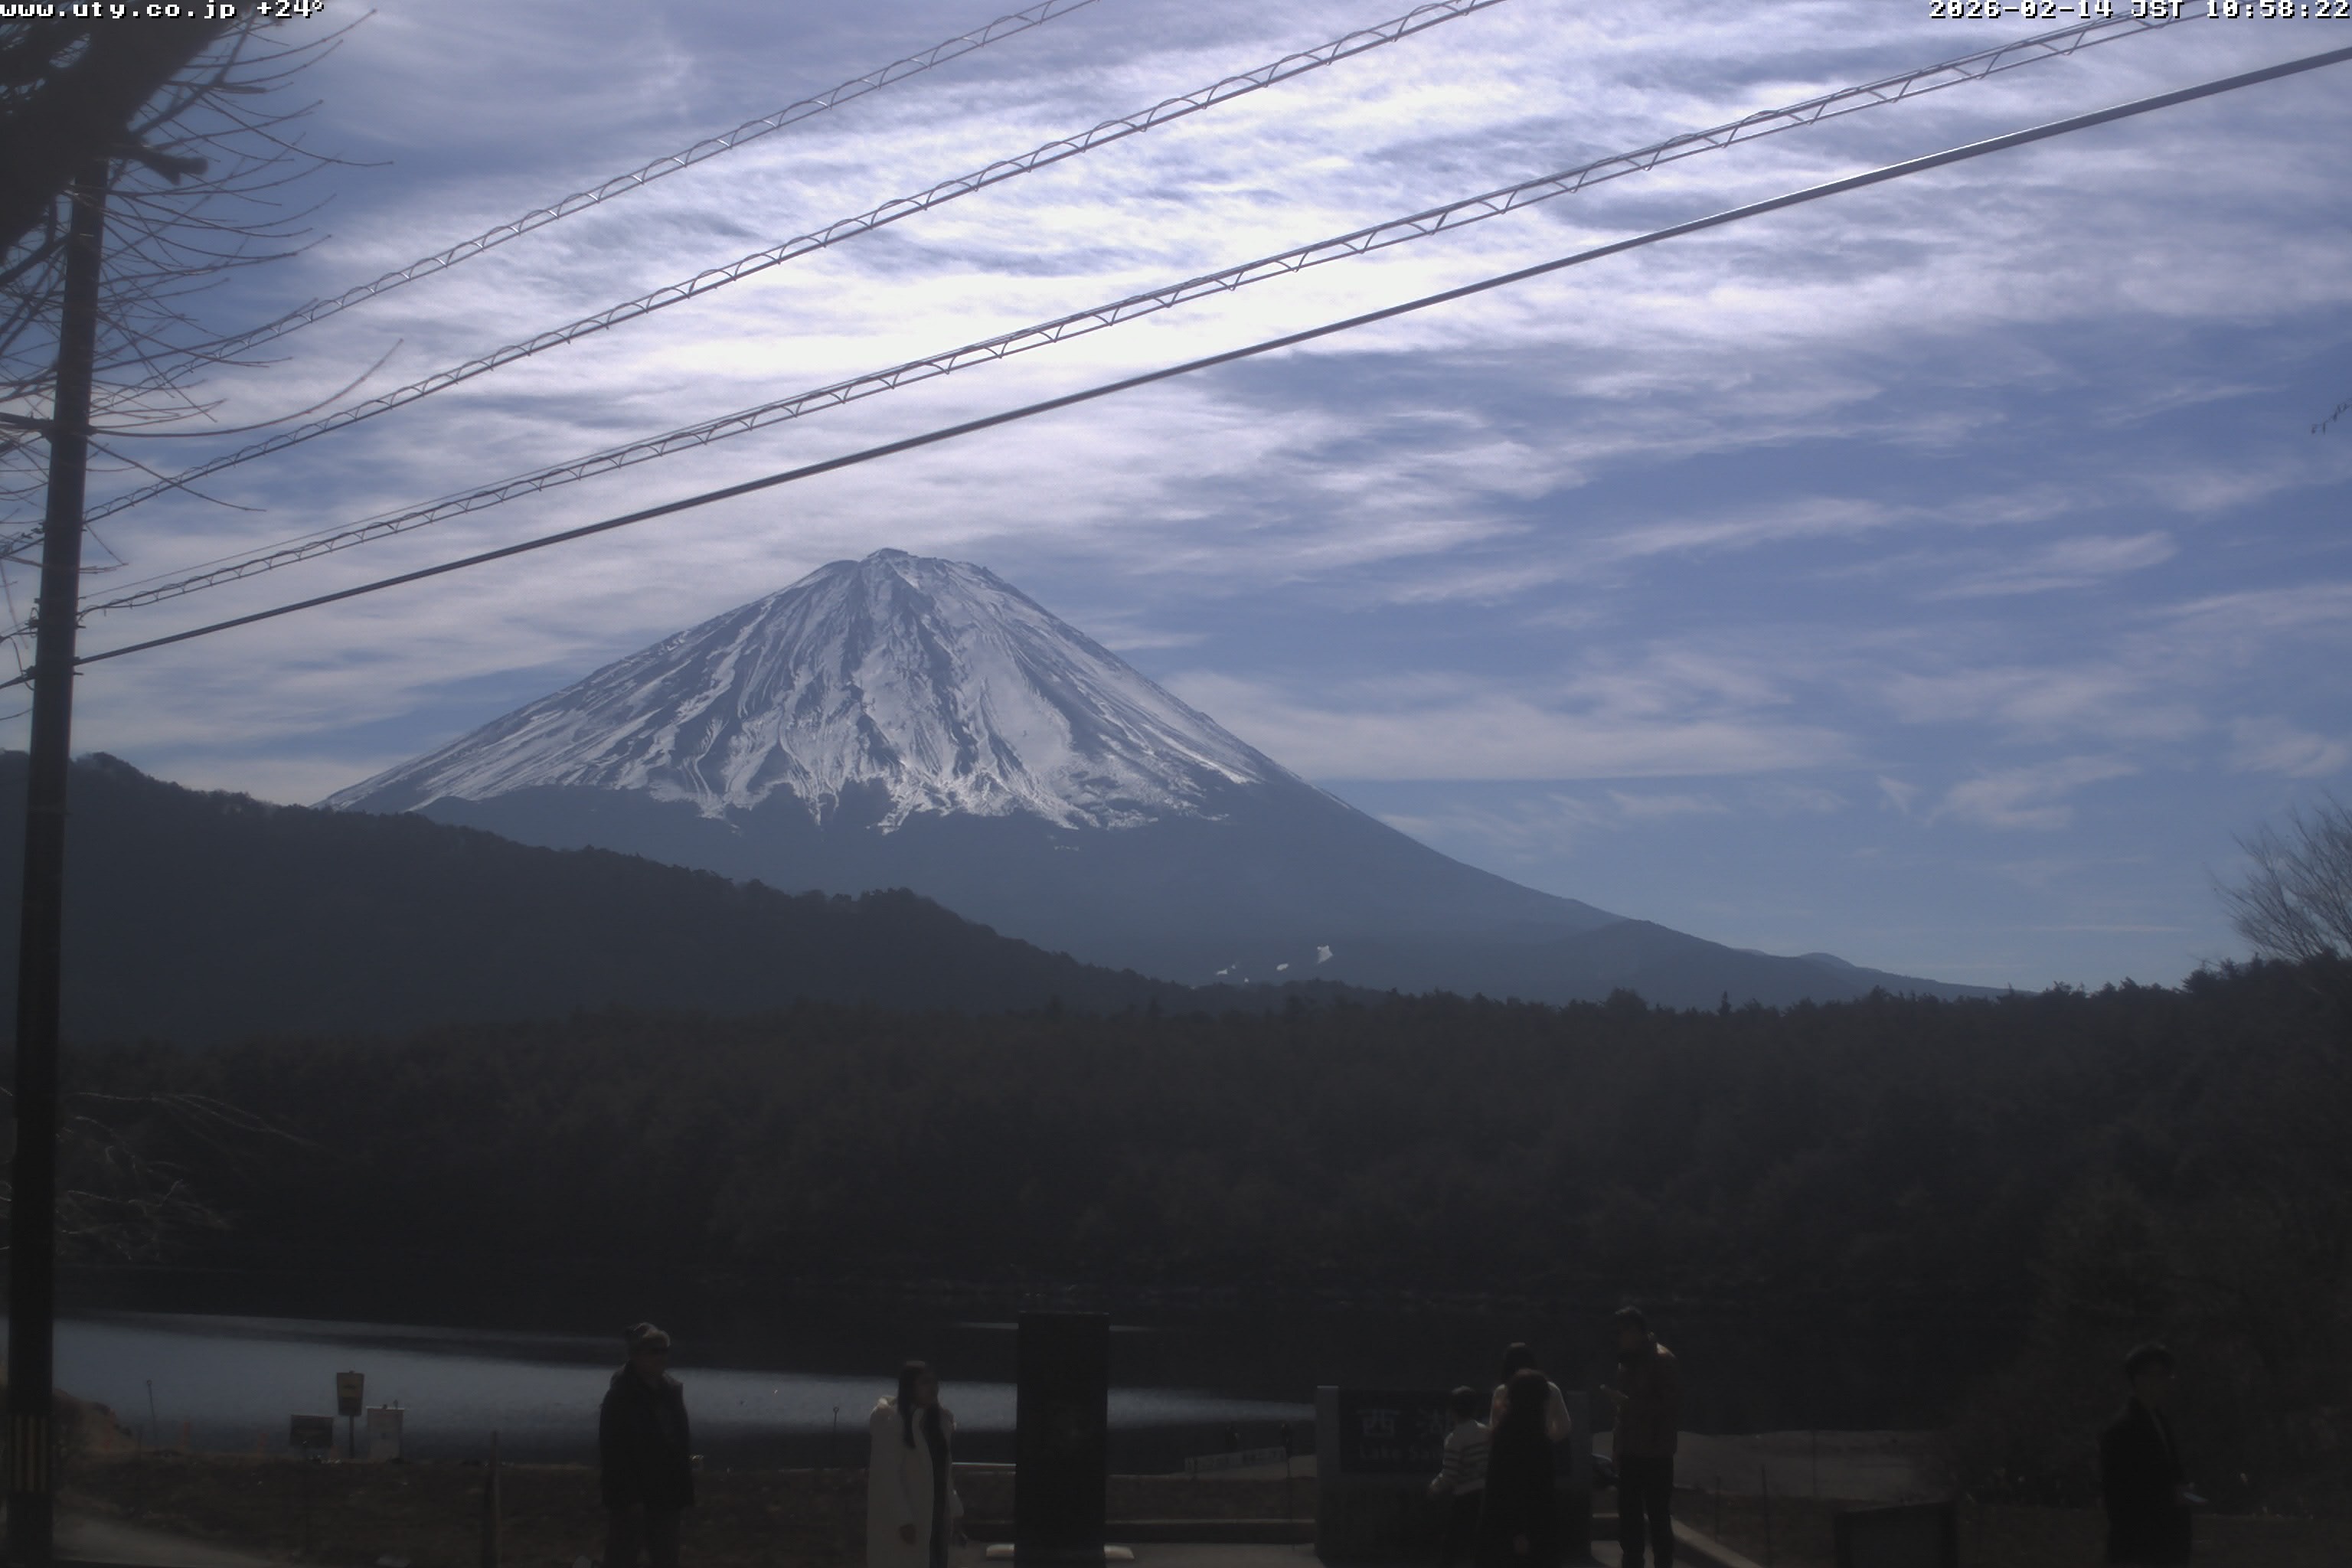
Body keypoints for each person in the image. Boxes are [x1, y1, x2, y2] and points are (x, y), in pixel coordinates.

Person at [599, 1322, 695, 1568]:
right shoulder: (621, 1396)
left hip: (667, 1495)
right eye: (654, 1351)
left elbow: (678, 1444)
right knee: (621, 1559)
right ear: (636, 1355)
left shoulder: (671, 1392)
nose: (661, 1357)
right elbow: (613, 1453)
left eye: (664, 1351)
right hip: (632, 1497)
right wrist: (628, 1497)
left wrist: (683, 1491)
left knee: (667, 1559)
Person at [2101, 1343, 2197, 1566]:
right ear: (2137, 1379)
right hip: (2140, 1551)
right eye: (2155, 1376)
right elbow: (2121, 1497)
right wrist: (2171, 1496)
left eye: (2165, 1376)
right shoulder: (2123, 1429)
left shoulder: (2160, 1422)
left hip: (2166, 1550)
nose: (2163, 1383)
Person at [1603, 1306, 1679, 1568]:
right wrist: (1617, 1447)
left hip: (1656, 1452)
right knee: (1629, 1515)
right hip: (1631, 1451)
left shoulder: (1663, 1360)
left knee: (1658, 1516)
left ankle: (1663, 1563)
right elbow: (1622, 1414)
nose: (1618, 1338)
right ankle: (1632, 1561)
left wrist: (1630, 1404)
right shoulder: (1627, 1362)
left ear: (1636, 1331)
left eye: (1622, 1332)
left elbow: (1669, 1407)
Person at [867, 1360, 962, 1568]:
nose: (933, 1388)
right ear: (910, 1387)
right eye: (925, 1383)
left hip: (937, 1514)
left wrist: (953, 1508)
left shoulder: (940, 1422)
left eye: (935, 1382)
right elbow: (887, 1476)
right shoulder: (892, 1423)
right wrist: (903, 1519)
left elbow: (945, 1472)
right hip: (912, 1515)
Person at [1475, 1369, 1561, 1568]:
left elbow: (1499, 1488)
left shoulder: (1503, 1434)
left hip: (1501, 1527)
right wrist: (1519, 1531)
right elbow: (1519, 1488)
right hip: (1529, 1528)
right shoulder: (1535, 1440)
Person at [1429, 1386, 1490, 1568]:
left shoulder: (1454, 1439)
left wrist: (1434, 1487)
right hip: (1487, 1493)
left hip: (1465, 1495)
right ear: (1476, 1409)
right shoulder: (1487, 1432)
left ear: (1452, 1411)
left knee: (1452, 1541)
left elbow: (1450, 1474)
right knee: (1482, 1540)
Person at [1488, 1343, 1573, 1442]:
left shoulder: (1501, 1391)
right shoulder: (1551, 1389)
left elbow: (1494, 1426)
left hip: (1511, 1447)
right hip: (1542, 1446)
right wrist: (1548, 1439)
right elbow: (1564, 1426)